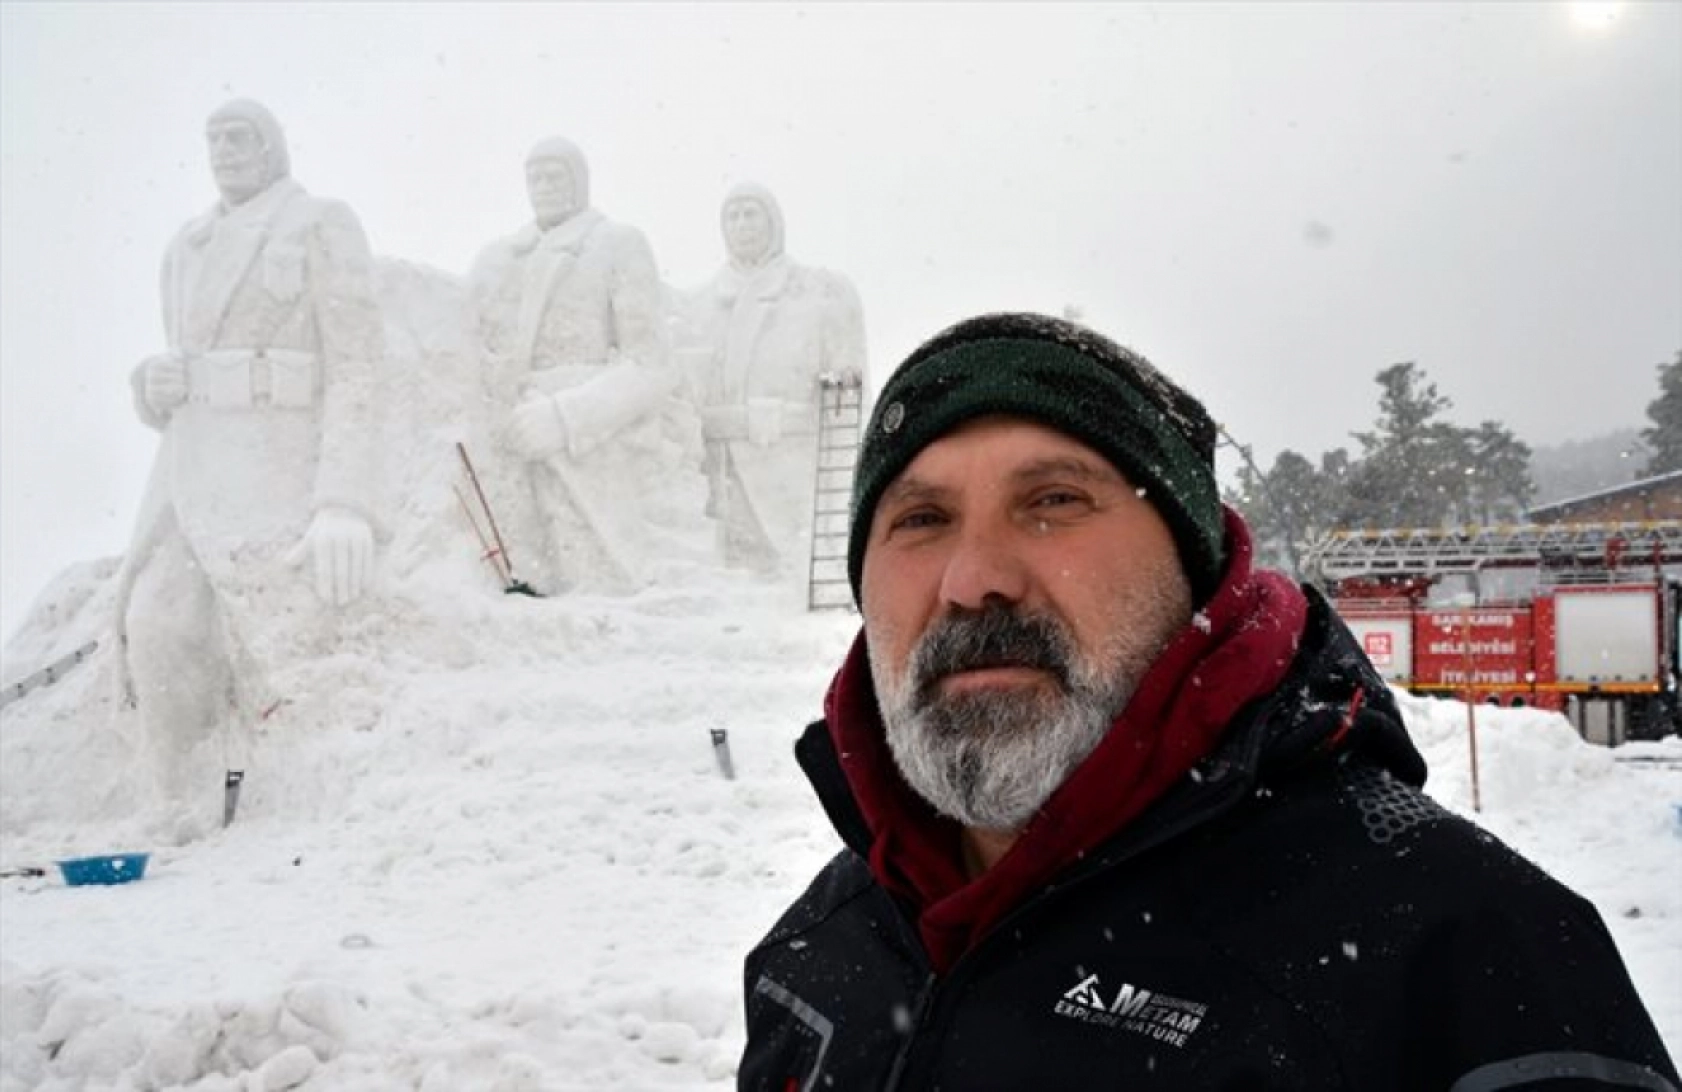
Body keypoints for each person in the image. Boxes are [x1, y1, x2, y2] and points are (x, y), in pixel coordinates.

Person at [738, 313, 1678, 1090]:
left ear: (1194, 570)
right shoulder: (818, 953)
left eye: (1055, 500)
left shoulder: (1472, 957)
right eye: (921, 519)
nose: (974, 579)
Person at [116, 99, 382, 827]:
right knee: (155, 617)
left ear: (273, 147)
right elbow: (182, 364)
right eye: (214, 139)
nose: (225, 151)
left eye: (240, 137)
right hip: (191, 462)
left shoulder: (319, 221)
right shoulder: (187, 245)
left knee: (296, 643)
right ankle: (171, 795)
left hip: (278, 467)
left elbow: (359, 367)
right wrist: (151, 385)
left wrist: (344, 500)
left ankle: (321, 802)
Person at [468, 136, 682, 595]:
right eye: (535, 177)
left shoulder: (615, 243)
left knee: (600, 593)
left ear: (580, 181)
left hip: (586, 446)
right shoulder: (500, 259)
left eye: (555, 175)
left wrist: (565, 417)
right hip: (508, 438)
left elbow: (652, 363)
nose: (544, 186)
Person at [678, 183, 866, 576]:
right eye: (733, 216)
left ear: (773, 222)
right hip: (721, 470)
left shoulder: (819, 292)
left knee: (793, 572)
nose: (742, 226)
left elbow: (846, 395)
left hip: (791, 465)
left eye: (752, 214)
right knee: (734, 579)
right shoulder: (696, 305)